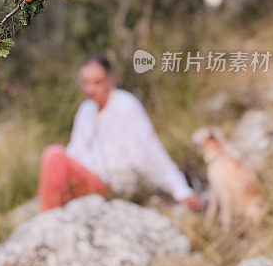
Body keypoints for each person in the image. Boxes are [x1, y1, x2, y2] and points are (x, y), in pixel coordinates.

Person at [37, 56, 202, 213]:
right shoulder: (86, 110)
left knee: (54, 155)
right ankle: (49, 219)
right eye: (86, 83)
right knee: (56, 158)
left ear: (110, 80)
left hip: (112, 187)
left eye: (97, 82)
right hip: (88, 182)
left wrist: (181, 190)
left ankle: (46, 222)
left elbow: (151, 151)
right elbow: (75, 152)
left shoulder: (126, 106)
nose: (90, 89)